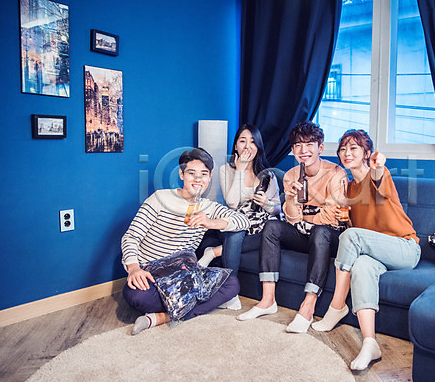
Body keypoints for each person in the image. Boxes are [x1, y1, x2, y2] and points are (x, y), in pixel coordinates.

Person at [311, 129, 421, 371]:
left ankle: (337, 306)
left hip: (404, 248)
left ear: (366, 153)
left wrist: (378, 165)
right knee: (360, 265)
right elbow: (355, 228)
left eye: (353, 148)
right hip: (374, 253)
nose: (346, 153)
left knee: (351, 236)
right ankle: (370, 343)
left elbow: (379, 175)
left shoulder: (377, 175)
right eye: (343, 149)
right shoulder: (349, 189)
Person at [121, 148, 250, 335]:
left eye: (203, 174)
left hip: (185, 277)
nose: (198, 179)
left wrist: (210, 222)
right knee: (135, 296)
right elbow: (131, 236)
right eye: (191, 173)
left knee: (232, 284)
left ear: (210, 177)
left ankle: (160, 317)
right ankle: (185, 308)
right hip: (153, 273)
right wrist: (134, 268)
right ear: (182, 174)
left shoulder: (208, 207)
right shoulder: (159, 198)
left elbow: (243, 221)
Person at [236, 121, 347, 334]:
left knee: (320, 232)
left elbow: (330, 218)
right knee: (271, 227)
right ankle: (268, 300)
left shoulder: (336, 174)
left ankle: (308, 306)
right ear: (293, 150)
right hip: (305, 233)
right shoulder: (291, 175)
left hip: (330, 237)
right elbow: (292, 219)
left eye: (309, 144)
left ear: (320, 147)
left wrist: (304, 218)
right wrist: (292, 200)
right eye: (297, 145)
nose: (303, 150)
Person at [198, 124, 281, 310]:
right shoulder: (225, 170)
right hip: (235, 223)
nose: (247, 146)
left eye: (252, 142)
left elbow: (277, 210)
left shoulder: (268, 175)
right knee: (236, 233)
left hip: (260, 227)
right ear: (235, 146)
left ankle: (214, 252)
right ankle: (231, 291)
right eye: (242, 141)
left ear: (258, 146)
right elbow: (232, 203)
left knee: (271, 234)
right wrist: (240, 171)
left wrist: (266, 203)